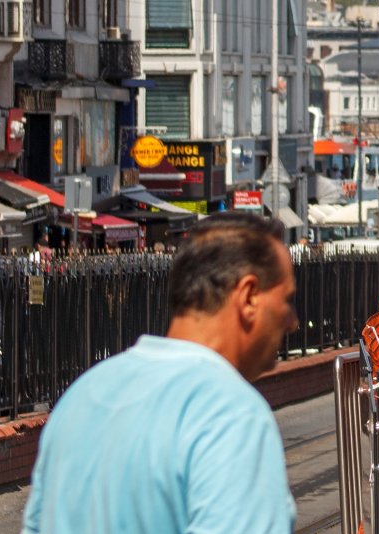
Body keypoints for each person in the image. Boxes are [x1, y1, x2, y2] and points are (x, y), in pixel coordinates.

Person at [23, 213, 298, 533]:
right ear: (248, 296)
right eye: (287, 299)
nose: (292, 319)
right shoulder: (231, 415)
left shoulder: (80, 398)